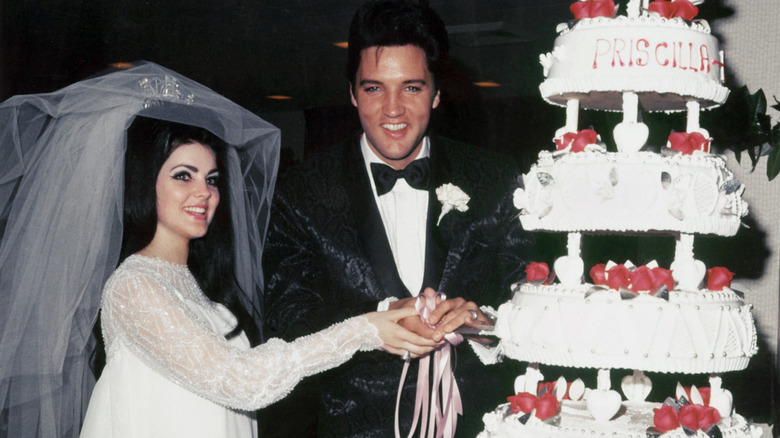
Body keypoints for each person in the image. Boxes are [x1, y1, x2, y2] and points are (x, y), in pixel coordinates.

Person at [0, 61, 438, 438]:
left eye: (211, 179)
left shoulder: (196, 281)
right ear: (144, 183)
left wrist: (384, 315)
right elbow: (243, 383)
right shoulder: (132, 287)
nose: (203, 193)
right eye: (182, 176)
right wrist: (362, 331)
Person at [261, 1, 534, 436]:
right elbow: (287, 313)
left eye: (411, 88)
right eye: (373, 89)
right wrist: (378, 319)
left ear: (436, 92)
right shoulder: (300, 191)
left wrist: (483, 324)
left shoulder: (495, 178)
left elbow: (533, 296)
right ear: (352, 93)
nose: (393, 110)